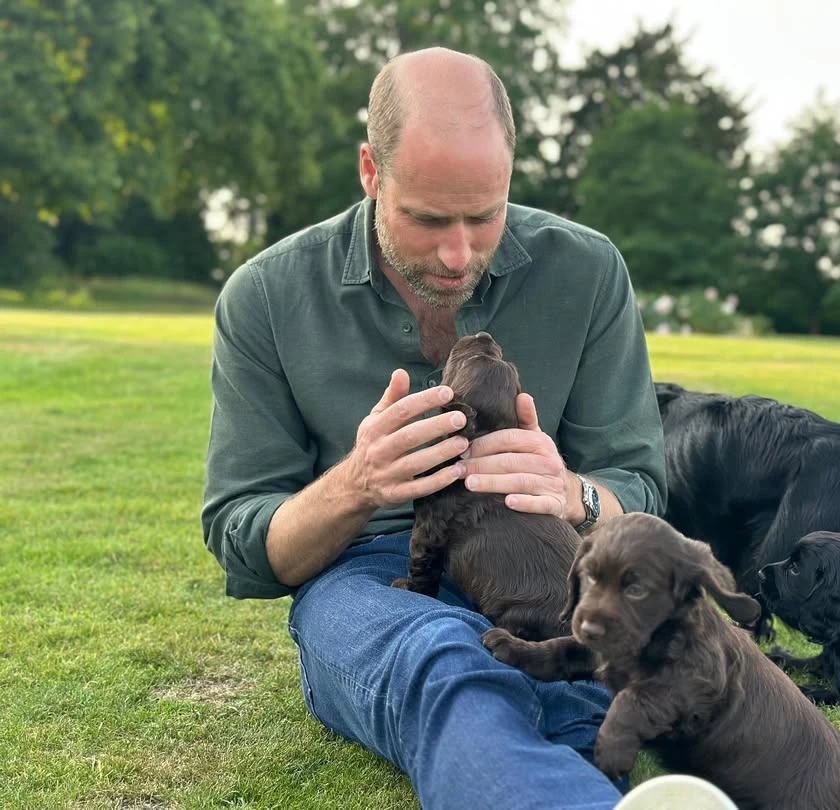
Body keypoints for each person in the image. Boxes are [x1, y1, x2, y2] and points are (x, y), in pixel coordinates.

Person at [201, 46, 739, 810]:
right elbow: (244, 539)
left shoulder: (588, 271)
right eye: (427, 220)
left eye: (485, 216)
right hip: (371, 575)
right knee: (444, 663)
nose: (458, 255)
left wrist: (575, 494)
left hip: (546, 562)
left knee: (577, 696)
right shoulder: (265, 296)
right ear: (370, 172)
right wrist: (356, 485)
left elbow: (639, 484)